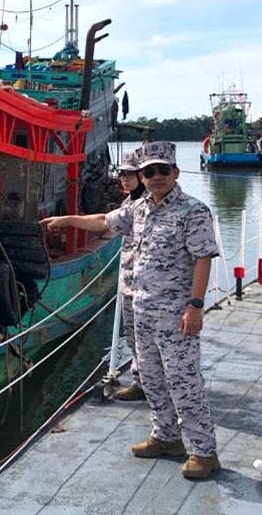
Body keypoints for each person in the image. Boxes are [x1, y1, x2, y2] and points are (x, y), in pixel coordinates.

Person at [40, 141, 220, 479]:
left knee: (183, 382)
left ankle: (204, 452)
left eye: (162, 170)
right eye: (149, 172)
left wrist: (195, 305)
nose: (156, 177)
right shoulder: (139, 209)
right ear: (143, 177)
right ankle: (166, 437)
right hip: (142, 309)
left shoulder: (193, 211)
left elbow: (203, 259)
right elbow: (102, 221)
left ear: (175, 172)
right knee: (151, 379)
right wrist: (67, 219)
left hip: (175, 315)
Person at [112, 149, 146, 402]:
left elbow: (103, 222)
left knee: (148, 340)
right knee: (134, 337)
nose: (124, 178)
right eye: (121, 174)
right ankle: (141, 382)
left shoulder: (146, 204)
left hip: (148, 286)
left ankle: (151, 384)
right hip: (129, 282)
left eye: (129, 174)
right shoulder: (129, 202)